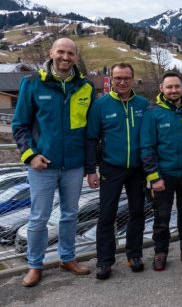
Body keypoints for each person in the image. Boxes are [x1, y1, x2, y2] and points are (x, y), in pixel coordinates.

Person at [12, 38, 94, 287]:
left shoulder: (86, 87)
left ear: (76, 57)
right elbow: (20, 125)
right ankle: (35, 265)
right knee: (39, 217)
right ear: (51, 53)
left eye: (70, 53)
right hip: (43, 165)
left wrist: (90, 167)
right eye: (61, 52)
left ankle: (67, 258)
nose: (65, 57)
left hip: (73, 165)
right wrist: (30, 155)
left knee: (69, 215)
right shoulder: (32, 83)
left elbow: (90, 132)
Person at [140, 71, 182, 270]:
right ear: (161, 88)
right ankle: (160, 252)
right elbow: (147, 148)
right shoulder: (153, 113)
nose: (173, 90)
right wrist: (154, 177)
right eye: (169, 87)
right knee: (161, 217)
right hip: (164, 176)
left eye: (177, 86)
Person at [85, 63, 149, 280]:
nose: (122, 82)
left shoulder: (142, 104)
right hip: (111, 168)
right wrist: (91, 169)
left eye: (127, 78)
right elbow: (91, 137)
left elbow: (150, 137)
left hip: (138, 169)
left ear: (133, 79)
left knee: (137, 212)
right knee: (106, 215)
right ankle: (104, 260)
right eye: (118, 78)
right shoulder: (100, 105)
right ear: (111, 79)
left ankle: (134, 254)